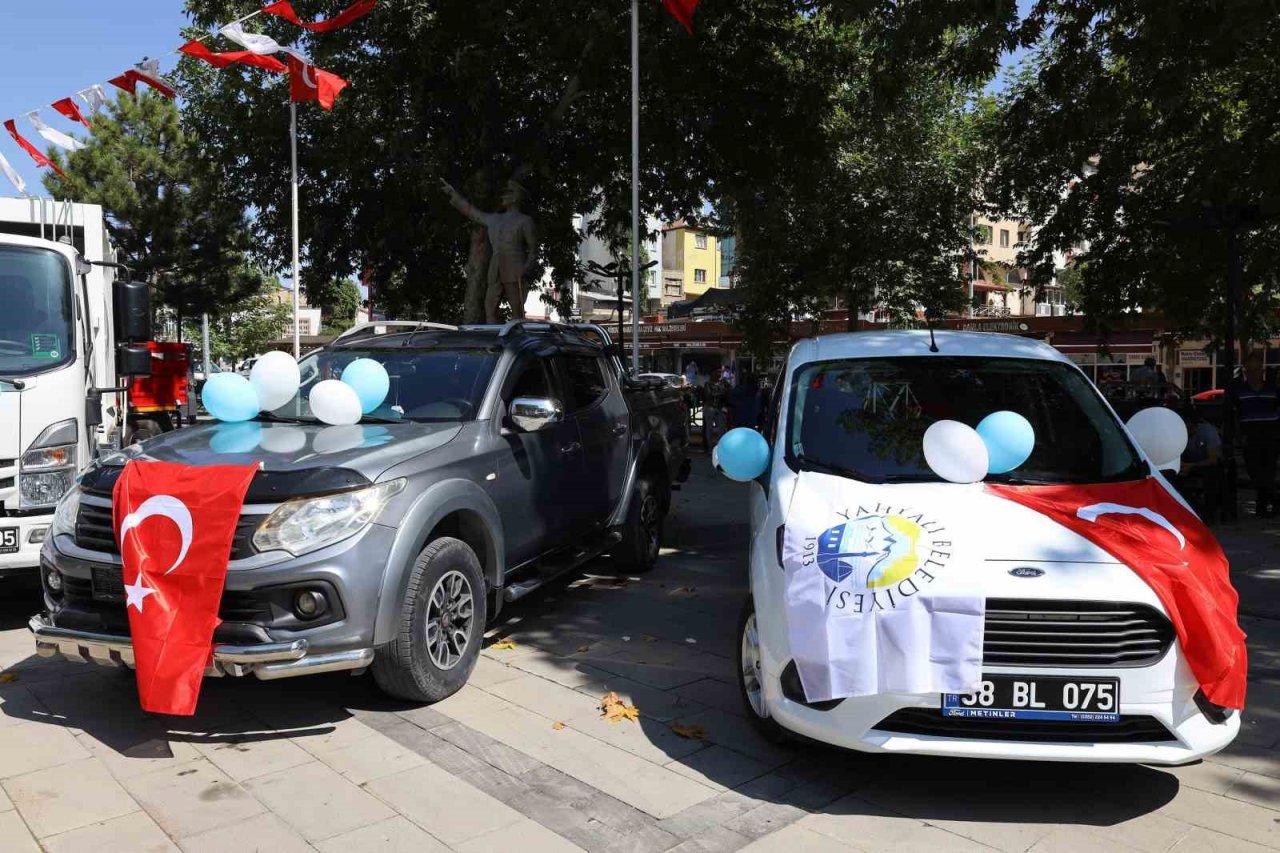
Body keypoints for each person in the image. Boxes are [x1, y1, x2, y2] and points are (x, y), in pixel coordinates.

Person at [441, 179, 539, 322]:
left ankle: (516, 333)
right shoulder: (494, 219)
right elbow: (472, 212)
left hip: (514, 267)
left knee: (517, 310)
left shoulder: (525, 221)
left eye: (507, 193)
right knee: (490, 307)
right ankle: (491, 333)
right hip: (495, 266)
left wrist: (525, 269)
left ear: (515, 197)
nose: (503, 196)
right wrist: (453, 194)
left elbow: (533, 250)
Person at [1229, 351, 1280, 517]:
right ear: (1245, 372)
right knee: (1254, 470)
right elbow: (1235, 414)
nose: (1252, 374)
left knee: (1268, 471)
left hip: (1270, 435)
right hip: (1250, 436)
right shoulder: (1240, 391)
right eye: (1249, 371)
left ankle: (1263, 504)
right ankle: (1273, 499)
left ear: (1262, 371)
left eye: (1256, 370)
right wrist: (1238, 435)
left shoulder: (1273, 389)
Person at [1176, 406, 1224, 522]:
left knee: (1211, 476)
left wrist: (1191, 466)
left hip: (1208, 465)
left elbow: (1213, 459)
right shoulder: (1177, 433)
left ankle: (1209, 513)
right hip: (1188, 464)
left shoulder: (1208, 432)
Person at [703, 368, 730, 446]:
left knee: (721, 428)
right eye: (717, 372)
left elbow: (728, 391)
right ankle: (710, 446)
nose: (719, 374)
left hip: (720, 407)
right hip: (710, 407)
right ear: (713, 373)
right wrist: (721, 393)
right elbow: (708, 395)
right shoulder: (708, 384)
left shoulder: (723, 383)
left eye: (720, 372)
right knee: (709, 428)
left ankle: (719, 445)